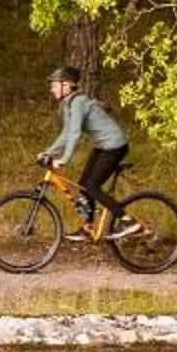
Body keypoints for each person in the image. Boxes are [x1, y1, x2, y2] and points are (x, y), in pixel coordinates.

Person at [40, 64, 129, 236]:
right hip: (103, 146)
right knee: (84, 186)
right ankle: (88, 228)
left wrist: (64, 159)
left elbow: (75, 133)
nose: (51, 89)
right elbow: (66, 133)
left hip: (115, 146)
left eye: (54, 85)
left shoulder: (78, 102)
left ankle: (126, 221)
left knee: (92, 186)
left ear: (66, 85)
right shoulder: (69, 104)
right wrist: (49, 152)